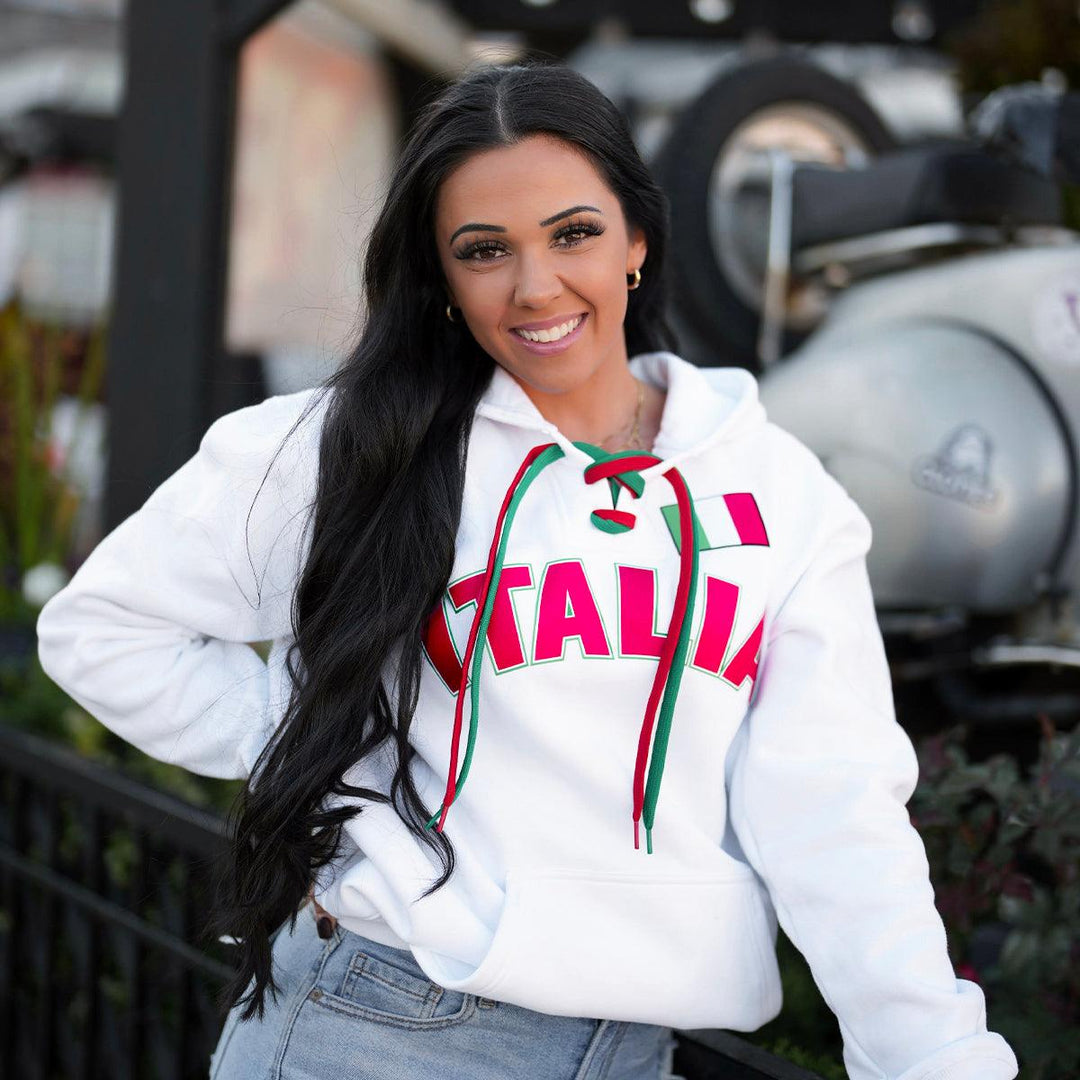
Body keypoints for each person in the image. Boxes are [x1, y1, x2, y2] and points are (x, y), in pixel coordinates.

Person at [35, 60, 1020, 1080]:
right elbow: (100, 632)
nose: (535, 285)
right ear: (443, 280)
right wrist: (332, 748)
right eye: (484, 250)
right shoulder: (355, 451)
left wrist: (935, 1059)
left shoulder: (780, 494)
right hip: (380, 1029)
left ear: (637, 239)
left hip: (637, 1052)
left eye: (574, 233)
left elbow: (835, 808)